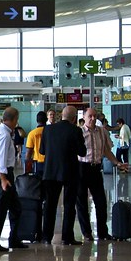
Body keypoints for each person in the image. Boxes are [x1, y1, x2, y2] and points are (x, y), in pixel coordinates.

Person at [76, 107, 128, 241]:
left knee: (101, 201)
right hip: (81, 168)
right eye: (90, 116)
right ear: (84, 118)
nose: (93, 119)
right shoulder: (79, 132)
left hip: (96, 168)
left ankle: (102, 232)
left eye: (95, 116)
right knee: (81, 202)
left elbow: (106, 150)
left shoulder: (102, 131)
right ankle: (87, 233)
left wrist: (117, 163)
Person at [39, 105, 87, 245]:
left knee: (50, 205)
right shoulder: (76, 130)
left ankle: (46, 236)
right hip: (70, 172)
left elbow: (42, 151)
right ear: (74, 119)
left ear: (61, 115)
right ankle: (67, 237)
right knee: (69, 205)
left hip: (50, 172)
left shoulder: (48, 129)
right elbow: (82, 152)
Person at [0, 107, 28, 252]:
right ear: (14, 119)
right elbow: (0, 159)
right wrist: (3, 179)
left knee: (16, 208)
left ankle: (14, 239)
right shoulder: (4, 135)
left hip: (3, 173)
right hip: (3, 175)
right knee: (0, 210)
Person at [25, 110, 53, 176]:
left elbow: (29, 152)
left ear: (37, 121)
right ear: (46, 119)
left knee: (38, 181)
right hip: (50, 162)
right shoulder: (52, 132)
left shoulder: (32, 134)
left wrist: (27, 167)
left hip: (38, 163)